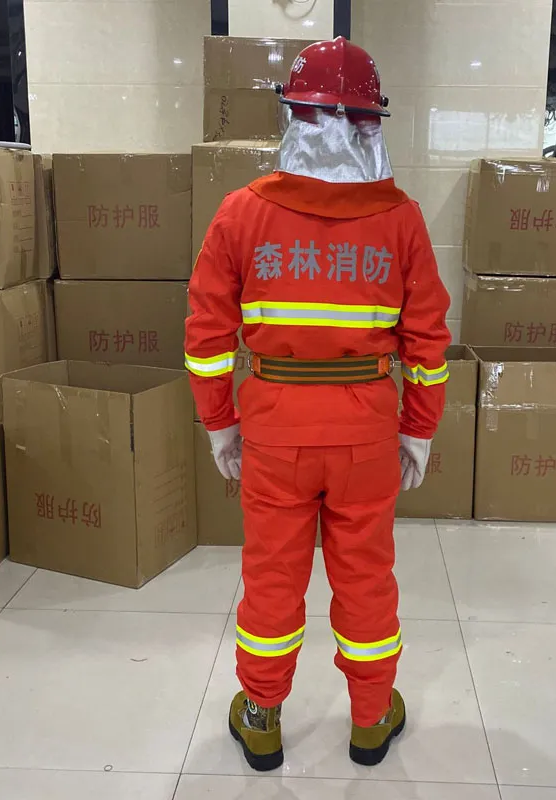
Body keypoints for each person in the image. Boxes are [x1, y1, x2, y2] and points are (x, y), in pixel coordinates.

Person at [184, 36, 451, 772]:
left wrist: (220, 423)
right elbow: (428, 342)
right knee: (365, 574)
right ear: (372, 125)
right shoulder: (402, 220)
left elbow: (206, 334)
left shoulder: (241, 214)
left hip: (274, 430)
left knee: (273, 575)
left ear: (293, 117)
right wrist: (418, 430)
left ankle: (261, 715)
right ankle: (371, 718)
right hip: (367, 431)